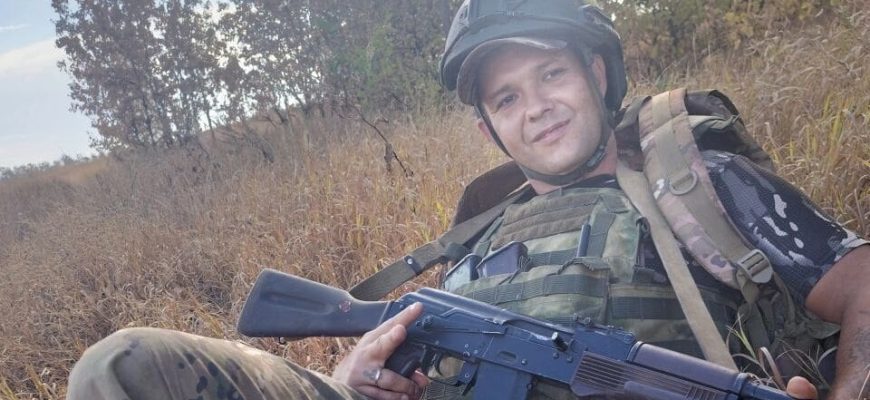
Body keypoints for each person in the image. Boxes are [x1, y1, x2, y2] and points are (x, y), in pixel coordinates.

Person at [67, 1, 868, 399]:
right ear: (489, 126)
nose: (536, 107)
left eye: (551, 74)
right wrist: (361, 376)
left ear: (596, 74)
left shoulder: (691, 181)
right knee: (125, 364)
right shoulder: (478, 234)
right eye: (508, 96)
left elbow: (862, 284)